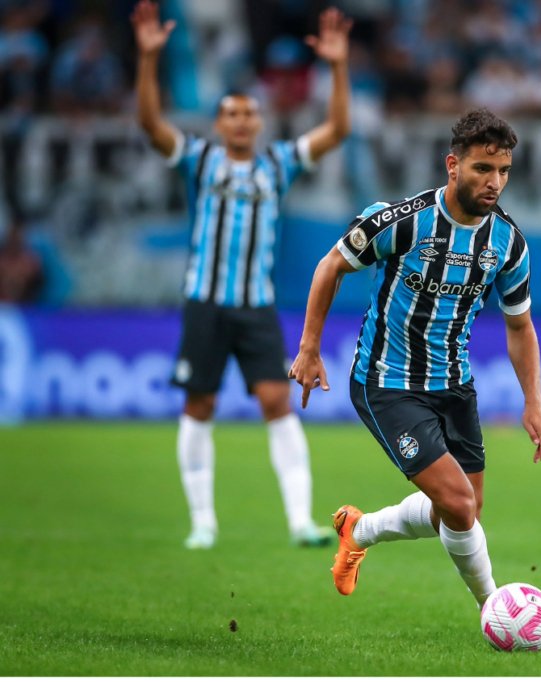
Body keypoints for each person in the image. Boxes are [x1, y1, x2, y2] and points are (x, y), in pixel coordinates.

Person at [288, 108, 541, 609]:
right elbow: (330, 266)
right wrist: (309, 348)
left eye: (503, 171)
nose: (494, 182)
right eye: (482, 169)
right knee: (458, 503)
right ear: (452, 166)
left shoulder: (508, 243)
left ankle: (359, 529)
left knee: (460, 509)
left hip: (454, 384)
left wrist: (533, 401)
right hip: (386, 381)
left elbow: (520, 326)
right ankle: (495, 609)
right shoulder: (402, 222)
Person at [131, 0, 353, 549]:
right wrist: (147, 59)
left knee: (277, 401)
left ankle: (301, 521)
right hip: (205, 302)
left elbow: (337, 130)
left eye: (249, 113)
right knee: (199, 404)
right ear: (218, 122)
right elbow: (150, 125)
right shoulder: (199, 159)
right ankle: (203, 522)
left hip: (255, 305)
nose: (241, 120)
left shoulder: (278, 163)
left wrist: (338, 66)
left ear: (259, 121)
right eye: (231, 113)